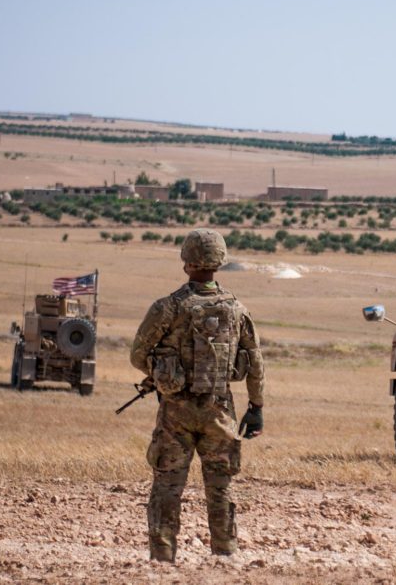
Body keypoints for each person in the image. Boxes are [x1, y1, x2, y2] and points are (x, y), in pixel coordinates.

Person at [130, 228, 265, 562]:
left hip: (175, 412)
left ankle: (162, 559)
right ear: (220, 262)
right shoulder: (236, 309)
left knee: (167, 485)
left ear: (186, 262)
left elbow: (137, 355)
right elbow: (255, 361)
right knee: (220, 488)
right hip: (219, 411)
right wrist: (256, 406)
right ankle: (225, 556)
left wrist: (161, 374)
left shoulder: (168, 307)